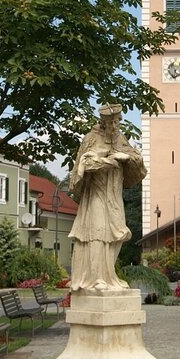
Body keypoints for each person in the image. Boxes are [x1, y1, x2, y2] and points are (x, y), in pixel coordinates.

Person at [67, 104, 146, 291]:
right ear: (103, 122)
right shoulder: (91, 138)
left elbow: (136, 158)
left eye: (117, 122)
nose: (115, 126)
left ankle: (109, 275)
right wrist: (105, 161)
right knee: (97, 232)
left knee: (117, 233)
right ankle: (96, 278)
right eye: (111, 122)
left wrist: (125, 157)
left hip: (114, 194)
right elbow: (83, 165)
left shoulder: (120, 138)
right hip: (96, 193)